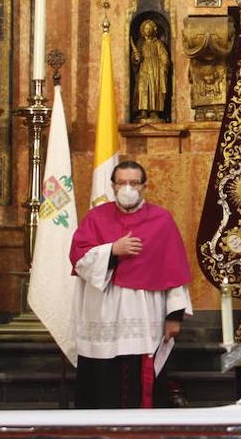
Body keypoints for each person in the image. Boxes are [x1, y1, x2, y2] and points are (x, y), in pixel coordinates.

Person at [70, 161, 192, 408]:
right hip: (103, 314)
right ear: (113, 186)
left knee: (140, 379)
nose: (128, 188)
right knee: (102, 381)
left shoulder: (162, 220)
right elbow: (79, 259)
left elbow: (175, 270)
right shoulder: (96, 217)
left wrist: (175, 317)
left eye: (134, 183)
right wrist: (112, 250)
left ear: (144, 186)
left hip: (145, 315)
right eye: (122, 183)